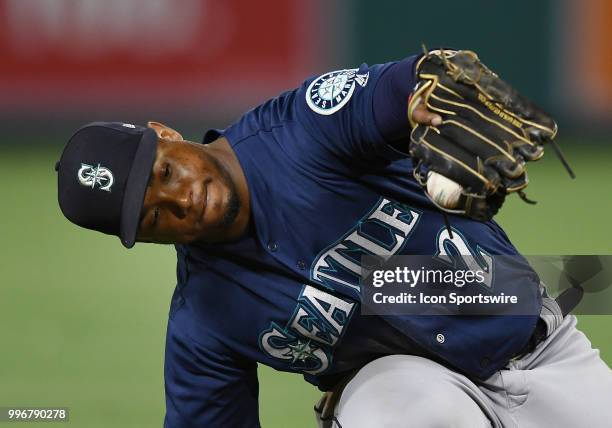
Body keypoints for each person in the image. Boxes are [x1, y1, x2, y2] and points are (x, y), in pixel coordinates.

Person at [56, 52, 612, 427]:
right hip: (409, 395)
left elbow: (404, 87)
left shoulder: (298, 130)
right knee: (393, 405)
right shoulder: (204, 321)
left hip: (543, 350)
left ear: (165, 134)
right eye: (155, 219)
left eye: (165, 174)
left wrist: (424, 93)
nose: (181, 203)